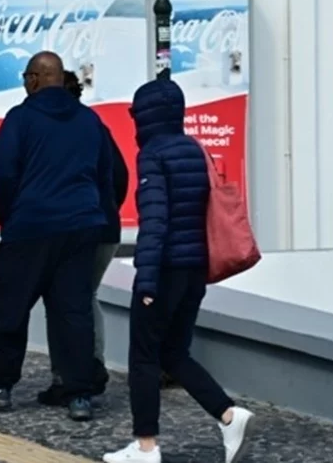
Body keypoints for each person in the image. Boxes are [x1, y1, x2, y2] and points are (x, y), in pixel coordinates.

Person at [103, 80, 254, 463]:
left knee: (143, 357)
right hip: (195, 269)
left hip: (165, 269)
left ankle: (145, 446)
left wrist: (146, 281)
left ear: (145, 117)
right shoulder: (194, 149)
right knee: (173, 353)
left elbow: (155, 222)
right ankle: (228, 415)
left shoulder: (153, 154)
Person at [0, 52, 113, 422]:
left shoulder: (20, 118)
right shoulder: (89, 120)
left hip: (31, 226)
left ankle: (0, 385)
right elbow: (105, 173)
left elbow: (3, 175)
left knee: (13, 308)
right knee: (74, 309)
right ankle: (79, 394)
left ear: (33, 79)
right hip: (81, 227)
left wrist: (10, 220)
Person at [37, 71, 130, 405]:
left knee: (62, 300)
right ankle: (89, 365)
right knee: (85, 296)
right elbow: (120, 176)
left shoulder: (48, 129)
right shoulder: (95, 126)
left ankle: (72, 374)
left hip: (68, 227)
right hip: (104, 226)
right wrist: (109, 209)